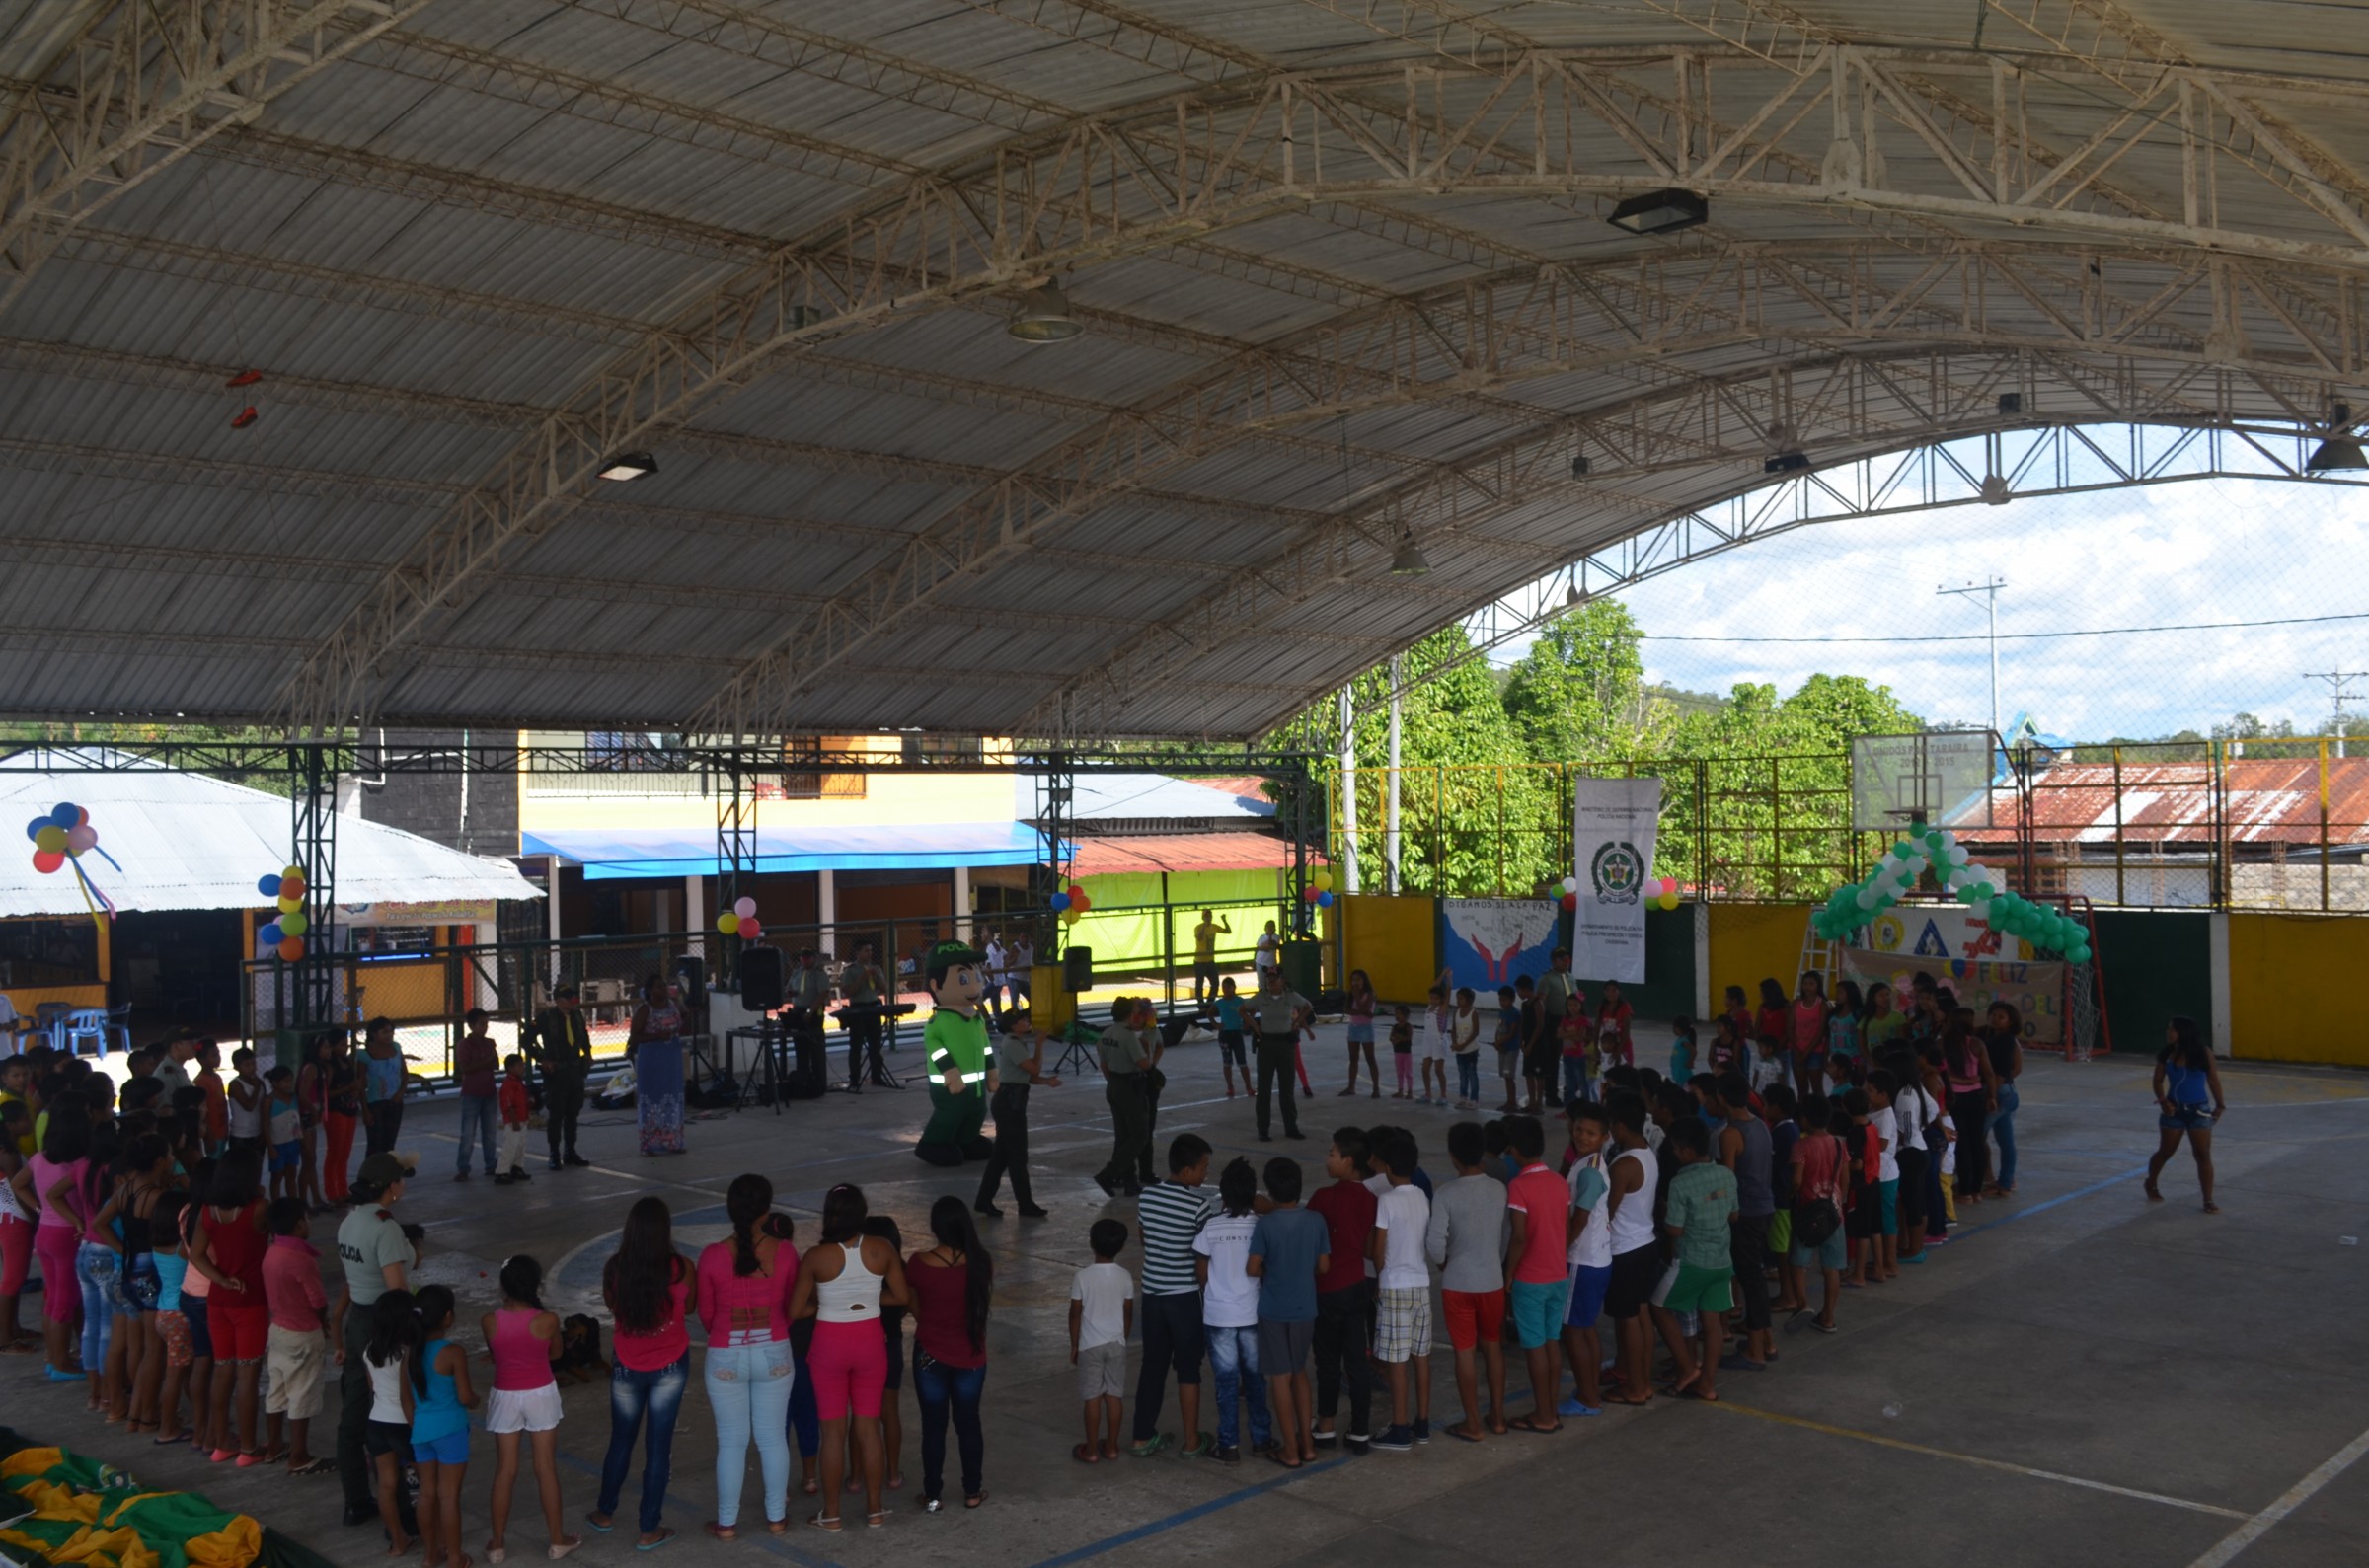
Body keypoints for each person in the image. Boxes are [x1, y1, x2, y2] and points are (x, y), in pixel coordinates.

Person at [789, 1184, 908, 1531]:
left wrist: (829, 1304)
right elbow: (900, 1295)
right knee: (869, 1428)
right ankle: (874, 1509)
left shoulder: (816, 1256)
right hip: (871, 1343)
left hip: (830, 1345)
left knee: (833, 1433)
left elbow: (796, 1310)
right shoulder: (881, 1249)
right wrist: (866, 1300)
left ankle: (833, 1514)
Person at [697, 1175, 797, 1539]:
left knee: (731, 1442)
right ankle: (776, 1518)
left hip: (726, 1353)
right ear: (767, 1209)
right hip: (775, 1352)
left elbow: (707, 1315)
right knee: (772, 1439)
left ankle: (727, 1523)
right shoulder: (785, 1252)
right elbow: (790, 1306)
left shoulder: (711, 1256)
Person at [593, 1197, 695, 1548]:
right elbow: (691, 1306)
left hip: (627, 1363)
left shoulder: (614, 1269)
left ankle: (605, 1512)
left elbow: (611, 1305)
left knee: (621, 1439)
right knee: (658, 1446)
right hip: (670, 1365)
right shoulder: (681, 1268)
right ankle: (649, 1528)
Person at [333, 1152, 420, 1531]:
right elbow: (396, 1292)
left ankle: (356, 1499)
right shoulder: (385, 1227)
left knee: (354, 1415)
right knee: (393, 1415)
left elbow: (354, 1282)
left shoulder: (349, 1222)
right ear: (391, 1187)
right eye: (402, 1179)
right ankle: (400, 1514)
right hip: (383, 1325)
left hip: (357, 1324)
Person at [482, 1253, 577, 1562]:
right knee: (545, 1467)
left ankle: (497, 1544)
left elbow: (498, 1355)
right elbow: (556, 1354)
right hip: (540, 1393)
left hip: (505, 1395)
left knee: (505, 1470)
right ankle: (557, 1540)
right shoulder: (547, 1320)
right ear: (534, 1284)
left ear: (504, 1286)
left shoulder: (489, 1321)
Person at [1131, 1134, 1214, 1457]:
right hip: (1183, 1298)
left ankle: (1141, 1437)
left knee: (1153, 1365)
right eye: (1203, 1167)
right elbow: (1203, 1253)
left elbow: (1144, 1237)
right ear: (1186, 1171)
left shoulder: (1147, 1196)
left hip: (1152, 1296)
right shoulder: (1198, 1205)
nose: (1206, 1174)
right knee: (1189, 1369)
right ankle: (1192, 1441)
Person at [908, 1198, 991, 1512]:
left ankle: (932, 1495)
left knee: (933, 1425)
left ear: (935, 1227)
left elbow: (911, 1302)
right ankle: (972, 1491)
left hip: (930, 1355)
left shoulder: (919, 1264)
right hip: (971, 1355)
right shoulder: (982, 1261)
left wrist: (929, 1323)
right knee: (968, 1423)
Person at [1426, 1119, 1507, 1441]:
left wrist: (1445, 1261)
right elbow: (1504, 1234)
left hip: (1458, 1283)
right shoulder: (1499, 1188)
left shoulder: (1446, 1194)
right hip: (1492, 1280)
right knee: (1493, 1347)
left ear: (1453, 1156)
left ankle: (1472, 1423)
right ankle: (1498, 1416)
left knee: (1464, 1352)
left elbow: (1434, 1243)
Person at [1245, 1157, 1328, 1468]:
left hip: (1274, 1310)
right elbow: (1323, 1266)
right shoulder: (1316, 1220)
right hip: (1306, 1308)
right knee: (1299, 1373)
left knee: (1279, 1378)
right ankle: (1307, 1446)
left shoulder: (1265, 1224)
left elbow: (1252, 1268)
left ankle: (1290, 1450)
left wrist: (1273, 1269)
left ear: (1271, 1191)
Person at [190, 1147, 270, 1463]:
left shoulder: (209, 1212)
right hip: (250, 1300)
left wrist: (221, 1279)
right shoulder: (259, 1208)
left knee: (223, 1372)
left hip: (218, 1301)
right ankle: (249, 1448)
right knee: (248, 1376)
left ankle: (222, 1442)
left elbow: (196, 1255)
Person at [1648, 1117, 1737, 1402]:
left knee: (1658, 1307)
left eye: (1676, 1149)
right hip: (1722, 1260)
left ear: (1686, 1150)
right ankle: (1707, 1384)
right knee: (1711, 1323)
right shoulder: (1726, 1174)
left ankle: (1687, 1367)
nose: (1674, 1154)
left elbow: (1674, 1229)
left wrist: (1663, 1215)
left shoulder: (1680, 1182)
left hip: (1692, 1260)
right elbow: (1734, 1214)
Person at [1192, 1157, 1271, 1464]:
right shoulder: (1259, 1227)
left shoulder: (1211, 1226)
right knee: (1254, 1379)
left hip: (1218, 1316)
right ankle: (1262, 1438)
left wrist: (1211, 1292)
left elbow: (1201, 1268)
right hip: (1251, 1314)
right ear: (1253, 1195)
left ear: (1222, 1195)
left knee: (1225, 1382)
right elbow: (1264, 1269)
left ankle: (1228, 1445)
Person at [1307, 1128, 1375, 1454]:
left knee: (1328, 1361)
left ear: (1348, 1161)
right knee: (1357, 1360)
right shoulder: (1371, 1200)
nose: (1327, 1158)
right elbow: (1371, 1248)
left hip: (1326, 1288)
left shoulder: (1322, 1197)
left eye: (1332, 1153)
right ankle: (1360, 1429)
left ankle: (1326, 1426)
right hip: (1357, 1285)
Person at [1365, 1128, 1432, 1451]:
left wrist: (1380, 1275)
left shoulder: (1386, 1200)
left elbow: (1378, 1248)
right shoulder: (1421, 1194)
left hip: (1395, 1285)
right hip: (1421, 1283)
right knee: (1420, 1356)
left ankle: (1400, 1426)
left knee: (1396, 1360)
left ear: (1387, 1168)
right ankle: (1422, 1422)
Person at [1499, 1115, 1567, 1431]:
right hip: (1558, 1274)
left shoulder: (1519, 1186)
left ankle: (1543, 1415)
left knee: (1534, 1346)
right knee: (1552, 1341)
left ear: (1514, 1150)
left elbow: (1519, 1237)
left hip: (1531, 1277)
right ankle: (1550, 1409)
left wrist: (1509, 1274)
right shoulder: (1559, 1182)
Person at [404, 1284, 478, 1568]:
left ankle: (430, 1555)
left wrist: (417, 1426)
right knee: (449, 1496)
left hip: (421, 1432)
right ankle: (456, 1558)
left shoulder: (410, 1353)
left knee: (426, 1494)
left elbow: (406, 1400)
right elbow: (464, 1396)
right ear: (448, 1317)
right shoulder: (452, 1353)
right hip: (451, 1431)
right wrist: (475, 1400)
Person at [261, 1196, 334, 1474]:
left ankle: (275, 1446)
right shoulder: (301, 1259)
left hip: (278, 1328)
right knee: (302, 1392)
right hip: (302, 1332)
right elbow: (317, 1300)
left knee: (277, 1390)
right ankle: (299, 1455)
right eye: (306, 1218)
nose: (308, 1223)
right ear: (297, 1224)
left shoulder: (272, 1252)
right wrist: (323, 1322)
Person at [1599, 1091, 1660, 1405]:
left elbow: (1606, 1212)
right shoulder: (1648, 1153)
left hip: (1625, 1249)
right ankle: (1641, 1381)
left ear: (1620, 1127)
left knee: (1628, 1320)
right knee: (1640, 1315)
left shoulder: (1623, 1165)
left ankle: (1635, 1387)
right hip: (1645, 1243)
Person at [1715, 1072, 1776, 1370]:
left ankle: (1755, 1350)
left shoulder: (1730, 1134)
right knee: (1756, 1278)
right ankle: (1765, 1341)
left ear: (1722, 1099)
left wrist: (1724, 1212)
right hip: (1764, 1208)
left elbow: (1727, 1181)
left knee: (1751, 1280)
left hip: (1745, 1213)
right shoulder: (1760, 1125)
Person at [1557, 1101, 1612, 1418]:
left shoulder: (1589, 1172)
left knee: (1574, 1331)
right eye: (1579, 1129)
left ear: (1604, 1137)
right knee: (1586, 1327)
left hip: (1582, 1259)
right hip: (1598, 1257)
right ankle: (1590, 1390)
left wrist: (1561, 1248)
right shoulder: (1590, 1162)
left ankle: (1588, 1399)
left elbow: (1580, 1219)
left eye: (1591, 1133)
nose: (1583, 1136)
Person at [975, 1007, 1056, 1218]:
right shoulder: (1013, 1043)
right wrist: (1039, 1045)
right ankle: (1025, 1204)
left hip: (1012, 1100)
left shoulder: (1015, 1042)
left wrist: (1047, 1082)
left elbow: (1026, 1076)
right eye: (1022, 1019)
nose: (1027, 1021)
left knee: (1001, 1157)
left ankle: (984, 1200)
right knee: (1017, 1157)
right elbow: (1034, 1069)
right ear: (1013, 1026)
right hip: (1010, 1104)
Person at [1068, 1218, 1133, 1464]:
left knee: (1092, 1397)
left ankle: (1092, 1450)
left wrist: (1075, 1344)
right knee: (1114, 1396)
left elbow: (1075, 1313)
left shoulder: (1082, 1276)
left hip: (1090, 1345)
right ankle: (1113, 1447)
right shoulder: (1125, 1276)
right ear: (1122, 1247)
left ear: (1091, 1244)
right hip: (1116, 1343)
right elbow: (1128, 1312)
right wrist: (1122, 1337)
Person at [363, 1290, 421, 1556]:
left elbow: (372, 1387)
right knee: (429, 1485)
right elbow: (410, 1394)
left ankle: (398, 1542)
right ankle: (438, 1539)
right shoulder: (407, 1353)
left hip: (377, 1422)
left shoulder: (369, 1351)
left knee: (386, 1486)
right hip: (403, 1423)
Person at [2147, 1015, 2226, 1212]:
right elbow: (2157, 1081)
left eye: (2172, 1030)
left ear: (2183, 1033)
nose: (2168, 1033)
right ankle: (2151, 1182)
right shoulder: (2166, 1055)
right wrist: (2163, 1101)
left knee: (2203, 1154)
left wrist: (2220, 1105)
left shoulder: (2204, 1054)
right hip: (2174, 1111)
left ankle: (2208, 1199)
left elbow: (2213, 1080)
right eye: (2168, 1030)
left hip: (2199, 1110)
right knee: (2166, 1152)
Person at [1788, 1094, 1847, 1334]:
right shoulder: (1839, 1143)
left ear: (1806, 1119)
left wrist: (1789, 1195)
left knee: (1798, 1262)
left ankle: (1802, 1304)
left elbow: (1797, 1180)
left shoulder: (1801, 1146)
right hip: (1833, 1211)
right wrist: (1840, 1202)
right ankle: (1828, 1318)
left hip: (1808, 1211)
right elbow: (1845, 1177)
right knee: (1831, 1267)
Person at [1092, 1000, 1154, 1198]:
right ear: (1129, 1014)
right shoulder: (1128, 1036)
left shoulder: (1107, 1033)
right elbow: (1144, 1064)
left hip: (1114, 1085)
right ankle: (1108, 1175)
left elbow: (1103, 1064)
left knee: (1123, 1136)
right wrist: (1148, 1048)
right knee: (1139, 1135)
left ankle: (1130, 1182)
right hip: (1129, 1086)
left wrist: (1113, 1081)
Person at [530, 986, 593, 1170]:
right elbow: (526, 1039)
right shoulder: (546, 1018)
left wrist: (588, 1054)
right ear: (558, 1000)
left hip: (575, 1071)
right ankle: (554, 1154)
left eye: (573, 997)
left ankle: (570, 1151)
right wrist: (542, 1059)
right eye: (568, 997)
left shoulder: (577, 1016)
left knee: (572, 1113)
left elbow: (584, 1036)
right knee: (556, 1114)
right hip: (556, 1074)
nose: (572, 1000)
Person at [1241, 967, 1308, 1143]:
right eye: (1269, 977)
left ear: (1282, 980)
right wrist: (1254, 1026)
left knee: (1287, 1089)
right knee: (1264, 1090)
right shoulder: (1262, 997)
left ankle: (1291, 1127)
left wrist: (1296, 1023)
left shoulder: (1290, 996)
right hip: (1267, 1045)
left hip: (1286, 1045)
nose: (1271, 980)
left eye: (1275, 977)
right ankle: (1263, 1129)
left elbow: (1308, 1007)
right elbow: (1242, 1009)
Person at [628, 977, 686, 1157]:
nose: (664, 988)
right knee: (653, 1098)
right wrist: (657, 1036)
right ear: (650, 991)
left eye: (664, 985)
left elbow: (684, 1019)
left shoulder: (673, 1004)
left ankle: (673, 1141)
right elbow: (634, 1038)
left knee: (672, 1097)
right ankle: (650, 1144)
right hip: (652, 1057)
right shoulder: (645, 1009)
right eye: (659, 986)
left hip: (672, 1057)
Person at [1981, 1002, 2025, 1196]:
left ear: (2010, 1022)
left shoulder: (2007, 1041)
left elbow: (2002, 1072)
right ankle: (2005, 1183)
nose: (1995, 1019)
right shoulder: (1989, 1036)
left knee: (1975, 1134)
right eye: (1993, 1015)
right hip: (2005, 1094)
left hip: (2001, 1094)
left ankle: (1978, 1181)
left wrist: (1991, 1094)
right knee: (2005, 1141)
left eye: (2001, 1017)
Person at [453, 1008, 500, 1181]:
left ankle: (491, 1164)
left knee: (489, 1132)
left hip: (489, 1092)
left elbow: (495, 1064)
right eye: (481, 1024)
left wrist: (481, 1063)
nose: (485, 1028)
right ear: (471, 1026)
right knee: (468, 1133)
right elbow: (465, 1068)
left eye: (486, 1024)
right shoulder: (464, 1045)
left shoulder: (489, 1043)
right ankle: (463, 1167)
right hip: (471, 1093)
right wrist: (486, 1061)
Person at [838, 944, 891, 1092]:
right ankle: (854, 1079)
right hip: (858, 1009)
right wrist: (862, 977)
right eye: (866, 951)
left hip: (873, 1007)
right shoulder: (851, 970)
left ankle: (877, 1076)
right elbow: (848, 991)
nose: (869, 954)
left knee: (875, 1045)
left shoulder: (876, 968)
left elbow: (884, 988)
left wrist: (875, 976)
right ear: (857, 952)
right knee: (856, 1047)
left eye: (870, 951)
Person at [322, 1035, 362, 1205]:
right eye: (341, 1044)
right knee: (335, 1153)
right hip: (336, 1111)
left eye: (345, 1044)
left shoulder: (347, 1061)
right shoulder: (330, 1066)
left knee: (344, 1153)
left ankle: (343, 1189)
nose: (344, 1047)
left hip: (349, 1109)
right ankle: (332, 1192)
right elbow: (327, 1094)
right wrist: (350, 1088)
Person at [361, 1019, 406, 1157]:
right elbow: (361, 1085)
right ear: (373, 1034)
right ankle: (370, 1175)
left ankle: (387, 1175)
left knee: (389, 1142)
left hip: (394, 1101)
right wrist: (365, 1110)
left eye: (390, 1031)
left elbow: (404, 1073)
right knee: (375, 1142)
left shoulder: (396, 1048)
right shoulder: (364, 1055)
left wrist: (400, 1092)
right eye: (384, 1032)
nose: (389, 1035)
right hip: (374, 1103)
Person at [493, 1053, 535, 1187]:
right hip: (514, 1122)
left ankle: (517, 1167)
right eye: (520, 1065)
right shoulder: (509, 1084)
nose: (523, 1067)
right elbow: (508, 1104)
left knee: (520, 1145)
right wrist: (514, 1120)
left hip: (521, 1120)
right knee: (510, 1147)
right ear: (511, 1068)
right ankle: (502, 1172)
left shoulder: (516, 1083)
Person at [265, 1065, 302, 1202]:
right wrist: (270, 1146)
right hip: (278, 1144)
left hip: (293, 1141)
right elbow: (265, 1124)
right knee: (277, 1175)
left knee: (291, 1174)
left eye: (290, 1080)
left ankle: (293, 1203)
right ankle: (276, 1203)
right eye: (285, 1081)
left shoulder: (293, 1098)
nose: (289, 1084)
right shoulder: (269, 1101)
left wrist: (301, 1138)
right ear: (275, 1083)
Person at [1341, 970, 1379, 1097]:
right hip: (1353, 1027)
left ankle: (1376, 1088)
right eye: (1353, 980)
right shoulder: (1351, 994)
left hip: (1366, 1028)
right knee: (1353, 1058)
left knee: (1370, 1058)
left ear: (1364, 980)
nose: (1355, 982)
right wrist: (1359, 1010)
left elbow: (1367, 1011)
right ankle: (1351, 1087)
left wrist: (1357, 998)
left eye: (1358, 979)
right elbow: (1347, 1010)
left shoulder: (1370, 994)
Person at [1448, 987, 1483, 1111]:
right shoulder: (1456, 1012)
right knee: (1462, 1075)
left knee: (1472, 1074)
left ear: (1469, 1000)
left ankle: (1474, 1099)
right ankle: (1463, 1098)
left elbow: (1475, 1032)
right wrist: (1454, 1043)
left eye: (1461, 998)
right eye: (1457, 998)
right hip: (1459, 1050)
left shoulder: (1473, 1013)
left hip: (1471, 1050)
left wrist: (1464, 1044)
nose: (1458, 1001)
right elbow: (1453, 1029)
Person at [1418, 983, 1452, 1108]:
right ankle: (1428, 1094)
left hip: (1438, 1041)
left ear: (1441, 999)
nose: (1433, 1000)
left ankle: (1443, 1096)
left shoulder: (1441, 1010)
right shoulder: (1429, 1008)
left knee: (1438, 1070)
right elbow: (1433, 985)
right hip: (1427, 1041)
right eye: (1431, 997)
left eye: (1436, 998)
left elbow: (1447, 995)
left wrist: (1449, 980)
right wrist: (1442, 973)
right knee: (1425, 1069)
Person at [1191, 909, 1233, 1003]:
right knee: (1199, 984)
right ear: (1203, 918)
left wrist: (1224, 920)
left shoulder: (1214, 927)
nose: (1208, 918)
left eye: (1210, 916)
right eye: (1206, 916)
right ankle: (1201, 1004)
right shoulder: (1198, 927)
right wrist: (1204, 926)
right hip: (1199, 961)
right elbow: (1199, 938)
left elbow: (1228, 931)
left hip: (1210, 960)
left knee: (1215, 983)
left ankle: (1210, 1002)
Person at [1492, 986, 1521, 1112]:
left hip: (1510, 1049)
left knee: (1509, 1076)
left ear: (1512, 999)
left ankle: (1512, 1102)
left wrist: (1499, 1042)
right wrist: (1497, 1042)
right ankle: (1509, 1101)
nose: (1502, 1002)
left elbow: (1512, 1033)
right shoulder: (1502, 1012)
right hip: (1502, 1049)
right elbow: (1499, 1029)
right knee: (1505, 1075)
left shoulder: (1515, 1014)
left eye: (1505, 999)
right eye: (1500, 999)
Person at [1387, 1004, 1414, 1100]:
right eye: (1396, 1014)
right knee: (1399, 1072)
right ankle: (1400, 1090)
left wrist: (1398, 1039)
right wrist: (1393, 1039)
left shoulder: (1408, 1026)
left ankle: (1410, 1091)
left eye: (1399, 1014)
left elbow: (1409, 1037)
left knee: (1408, 1073)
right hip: (1397, 1052)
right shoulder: (1395, 1027)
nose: (1397, 1016)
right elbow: (1390, 1037)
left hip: (1406, 1053)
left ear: (1406, 1016)